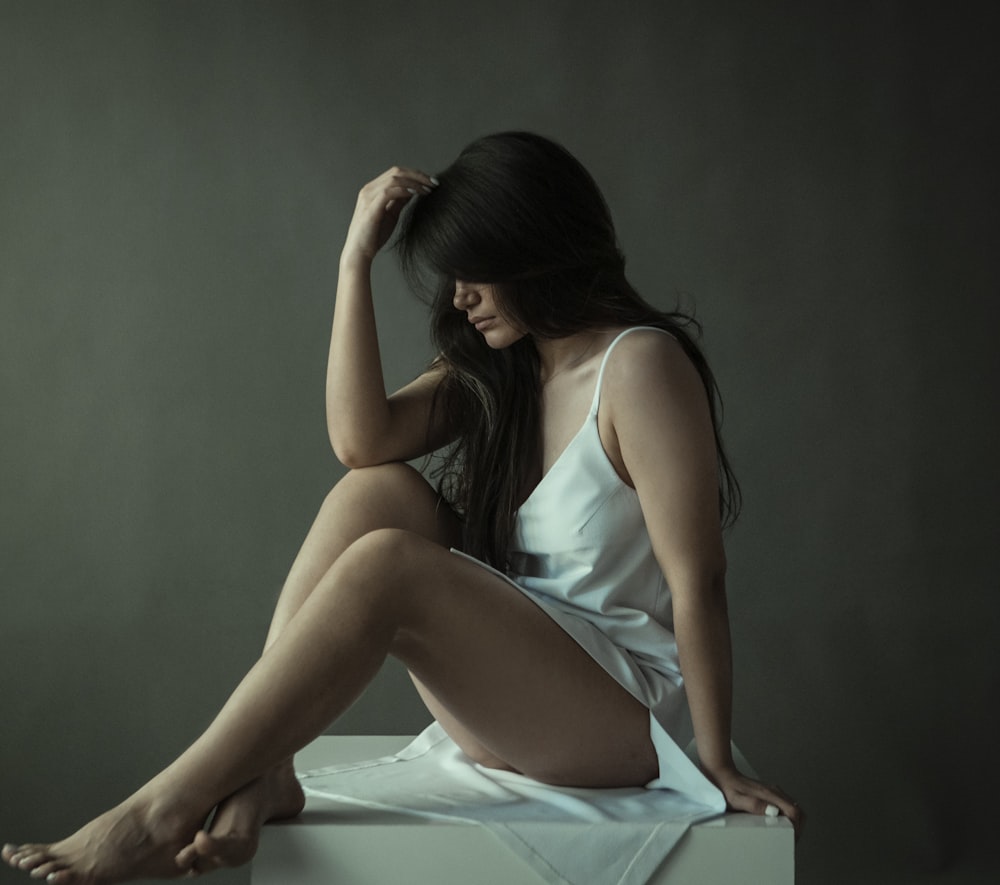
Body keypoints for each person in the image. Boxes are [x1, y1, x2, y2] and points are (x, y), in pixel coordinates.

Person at [2, 131, 802, 884]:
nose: (459, 300)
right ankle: (267, 767)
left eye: (472, 274)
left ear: (527, 247)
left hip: (624, 713)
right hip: (522, 691)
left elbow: (699, 580)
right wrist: (354, 259)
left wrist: (713, 757)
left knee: (391, 567)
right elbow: (362, 440)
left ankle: (160, 808)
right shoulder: (509, 372)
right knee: (374, 493)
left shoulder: (638, 367)